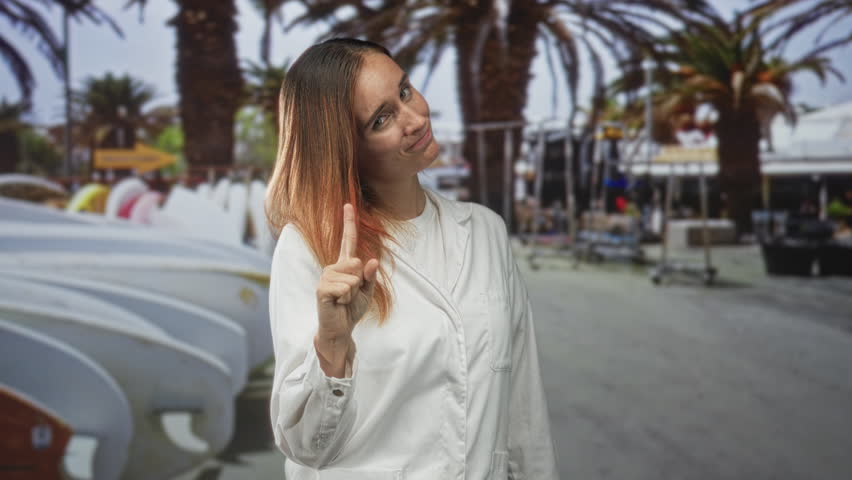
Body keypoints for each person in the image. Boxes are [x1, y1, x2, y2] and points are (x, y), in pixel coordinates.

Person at [265, 38, 558, 479]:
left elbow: (523, 407)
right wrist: (332, 345)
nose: (416, 118)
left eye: (404, 91)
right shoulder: (309, 247)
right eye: (382, 119)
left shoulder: (485, 232)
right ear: (345, 149)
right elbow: (305, 447)